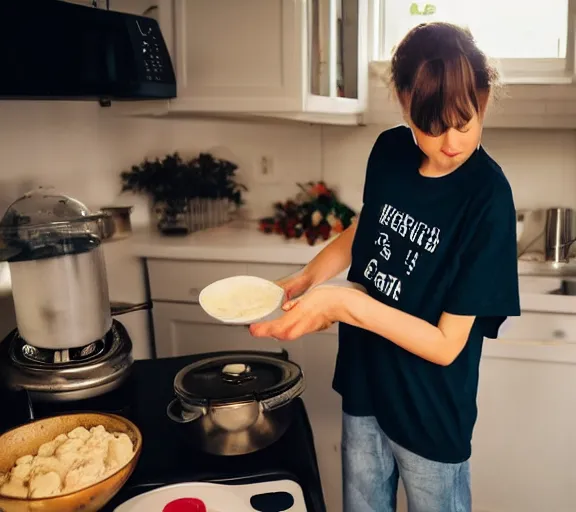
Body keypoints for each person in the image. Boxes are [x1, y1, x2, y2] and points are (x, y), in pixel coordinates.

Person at [250, 21, 520, 512]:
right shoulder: (390, 151)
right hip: (366, 386)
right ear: (402, 100)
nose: (452, 142)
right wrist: (309, 276)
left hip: (430, 411)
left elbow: (445, 346)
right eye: (432, 126)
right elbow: (368, 229)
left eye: (466, 121)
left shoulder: (488, 198)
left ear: (484, 100)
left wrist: (344, 304)